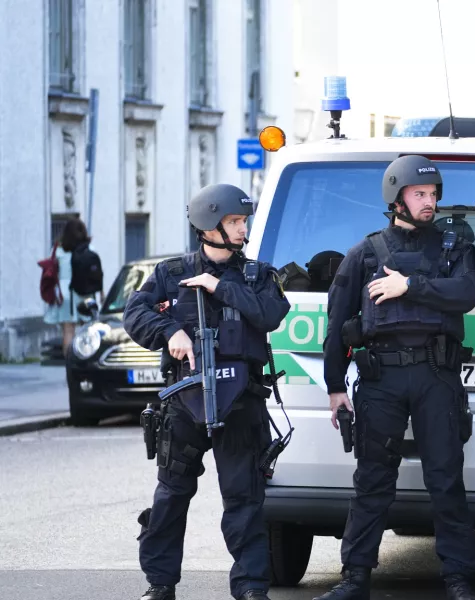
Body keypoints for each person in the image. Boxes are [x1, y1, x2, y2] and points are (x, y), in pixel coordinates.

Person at [319, 155, 475, 600]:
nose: (429, 202)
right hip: (381, 379)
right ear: (397, 199)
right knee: (372, 479)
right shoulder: (366, 252)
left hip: (437, 375)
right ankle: (355, 577)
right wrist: (336, 387)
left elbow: (467, 293)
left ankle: (459, 577)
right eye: (419, 194)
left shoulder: (454, 247)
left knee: (446, 478)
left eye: (432, 195)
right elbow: (336, 325)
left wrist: (410, 287)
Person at [123, 183, 290, 600]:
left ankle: (251, 587)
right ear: (206, 226)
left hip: (241, 402)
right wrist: (169, 330)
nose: (241, 229)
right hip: (185, 399)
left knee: (244, 499)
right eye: (233, 221)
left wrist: (221, 288)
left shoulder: (258, 275)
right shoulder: (171, 274)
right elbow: (134, 312)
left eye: (242, 221)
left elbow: (271, 315)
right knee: (172, 493)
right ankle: (160, 583)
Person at [43, 217, 100, 356]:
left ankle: (70, 366)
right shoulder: (90, 248)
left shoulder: (58, 250)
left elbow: (52, 271)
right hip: (85, 292)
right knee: (87, 329)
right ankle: (85, 361)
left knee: (68, 331)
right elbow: (96, 273)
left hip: (64, 294)